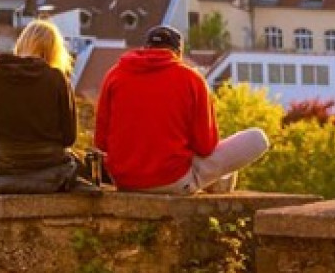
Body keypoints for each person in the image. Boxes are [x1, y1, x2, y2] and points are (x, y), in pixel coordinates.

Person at [96, 25, 270, 194]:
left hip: (124, 181)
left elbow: (101, 142)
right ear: (178, 53)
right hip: (173, 181)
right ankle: (217, 182)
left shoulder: (115, 74)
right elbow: (205, 146)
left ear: (145, 48)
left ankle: (215, 181)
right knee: (257, 138)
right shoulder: (191, 79)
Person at [0, 20, 90, 193]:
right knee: (87, 167)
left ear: (21, 44)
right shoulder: (57, 79)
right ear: (55, 52)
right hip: (49, 164)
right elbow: (69, 137)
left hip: (4, 163)